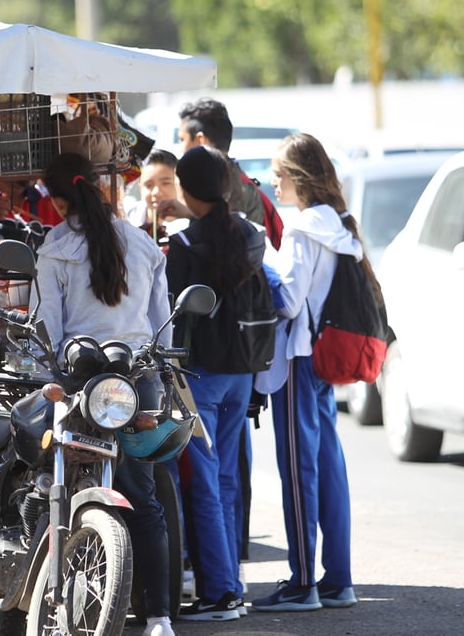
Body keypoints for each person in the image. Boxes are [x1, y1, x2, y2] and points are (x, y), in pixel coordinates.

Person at [33, 152, 176, 636]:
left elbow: (47, 325)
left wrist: (47, 371)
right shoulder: (141, 243)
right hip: (137, 380)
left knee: (50, 480)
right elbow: (162, 328)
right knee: (144, 497)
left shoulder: (55, 246)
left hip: (79, 379)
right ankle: (159, 618)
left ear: (56, 200)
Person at [251, 133, 367, 612]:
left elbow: (290, 301)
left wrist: (263, 268)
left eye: (279, 176)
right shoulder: (337, 223)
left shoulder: (302, 228)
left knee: (298, 472)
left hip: (299, 358)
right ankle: (338, 579)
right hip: (323, 360)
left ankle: (303, 583)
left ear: (299, 178)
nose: (274, 185)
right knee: (330, 469)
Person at [167, 145, 268, 622]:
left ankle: (219, 595)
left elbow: (169, 310)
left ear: (187, 192)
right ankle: (231, 586)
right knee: (226, 479)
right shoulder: (250, 235)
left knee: (202, 483)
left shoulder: (185, 245)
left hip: (200, 377)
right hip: (242, 373)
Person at [176, 98, 284, 250]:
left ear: (201, 140)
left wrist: (190, 213)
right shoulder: (238, 180)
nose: (180, 149)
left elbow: (220, 241)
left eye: (182, 139)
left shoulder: (228, 186)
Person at [126, 148, 184, 240]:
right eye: (149, 185)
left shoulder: (189, 226)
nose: (156, 192)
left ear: (179, 185)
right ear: (140, 188)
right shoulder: (126, 221)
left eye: (165, 183)